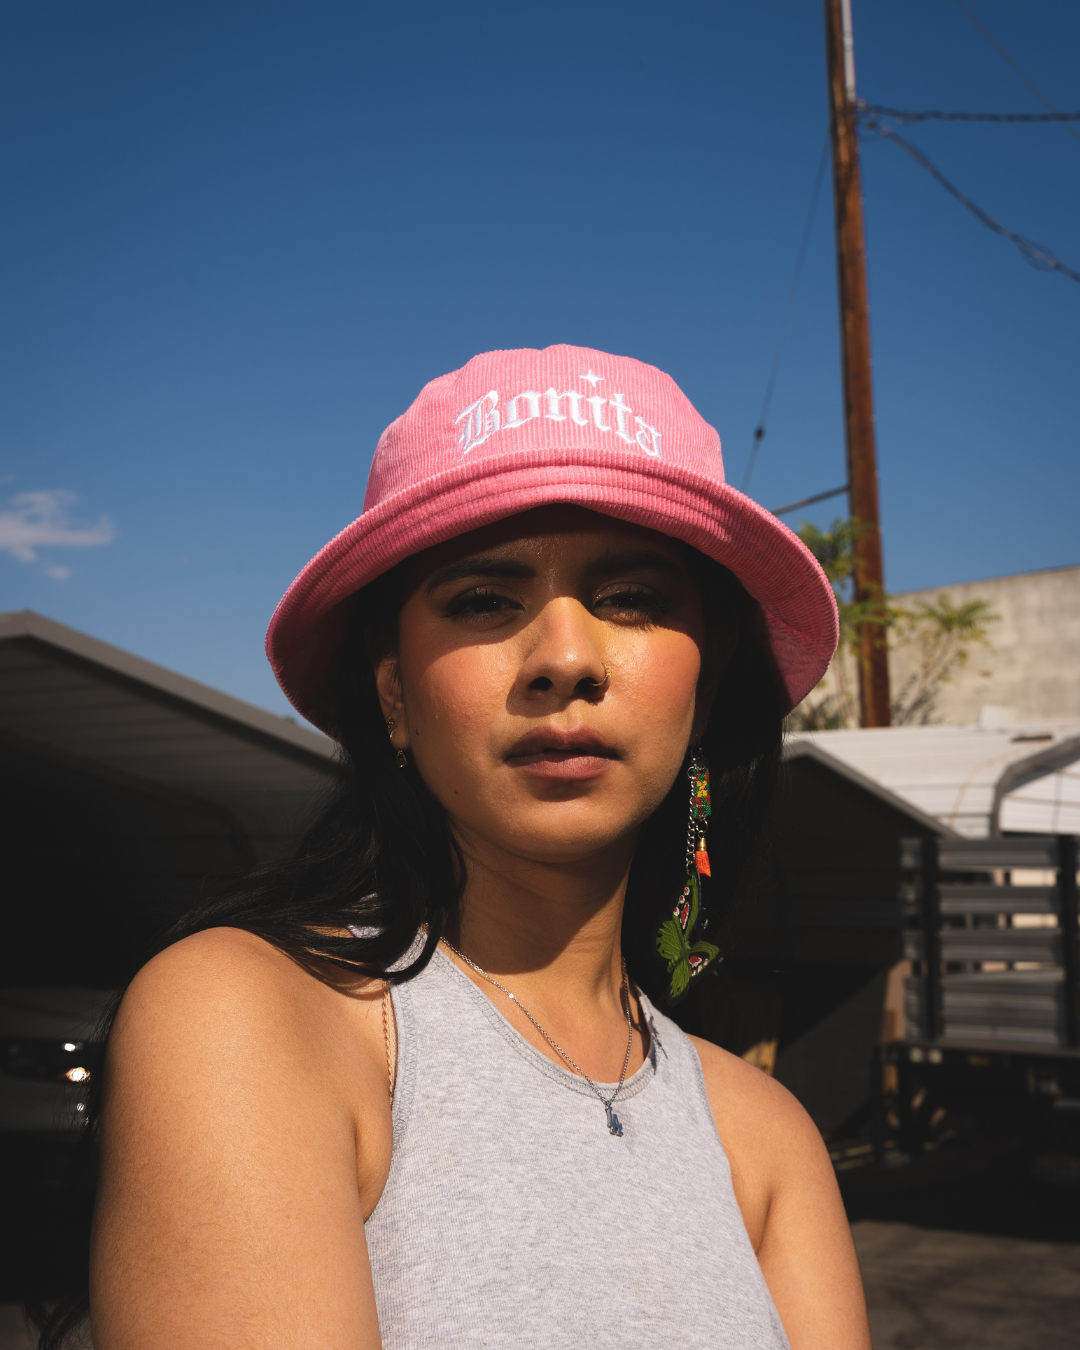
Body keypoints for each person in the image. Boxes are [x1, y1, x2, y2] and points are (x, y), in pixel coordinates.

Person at [53, 347, 869, 1348]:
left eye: (633, 598)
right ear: (394, 691)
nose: (566, 659)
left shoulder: (767, 1138)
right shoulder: (255, 1022)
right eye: (485, 598)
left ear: (708, 677)